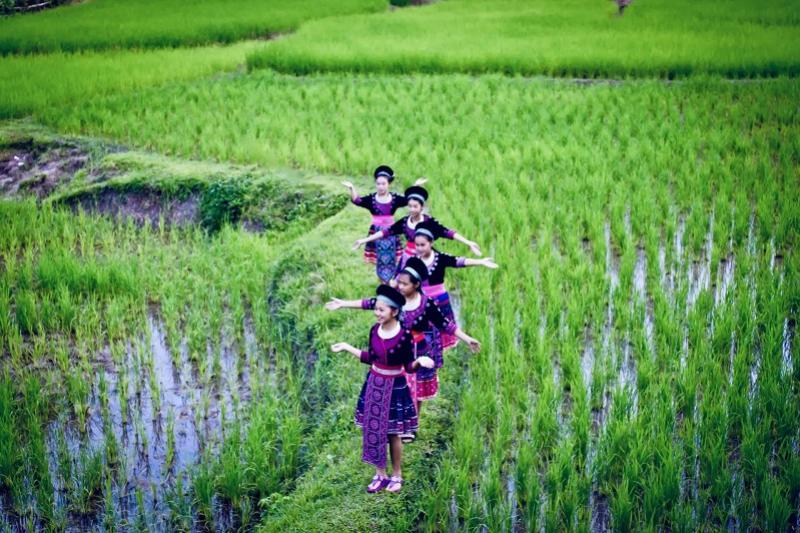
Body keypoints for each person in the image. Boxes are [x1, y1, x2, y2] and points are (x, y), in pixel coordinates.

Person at [326, 257, 481, 422]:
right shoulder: (394, 301)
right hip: (396, 346)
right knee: (399, 386)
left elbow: (445, 324)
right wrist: (343, 304)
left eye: (404, 284)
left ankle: (414, 421)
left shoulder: (427, 304)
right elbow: (369, 303)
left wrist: (467, 339)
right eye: (399, 282)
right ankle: (396, 420)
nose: (400, 286)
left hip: (418, 349)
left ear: (416, 285)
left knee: (418, 387)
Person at [331, 285, 434, 493]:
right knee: (374, 430)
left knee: (393, 433)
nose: (377, 313)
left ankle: (396, 475)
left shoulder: (404, 335)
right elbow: (371, 358)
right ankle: (380, 474)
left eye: (381, 310)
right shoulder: (374, 331)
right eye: (376, 309)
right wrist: (346, 347)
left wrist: (420, 361)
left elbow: (408, 367)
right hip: (375, 385)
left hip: (395, 387)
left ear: (394, 312)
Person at [411, 220, 498, 350]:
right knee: (423, 334)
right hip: (422, 302)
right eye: (417, 245)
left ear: (431, 243)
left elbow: (459, 261)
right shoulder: (413, 261)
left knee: (443, 328)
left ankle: (437, 357)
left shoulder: (440, 258)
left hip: (440, 300)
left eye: (423, 245)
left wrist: (480, 262)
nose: (419, 248)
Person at [353, 185, 481, 272]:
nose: (412, 210)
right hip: (408, 257)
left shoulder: (429, 222)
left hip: (426, 257)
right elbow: (386, 232)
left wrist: (468, 242)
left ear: (421, 207)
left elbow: (448, 233)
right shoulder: (404, 222)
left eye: (415, 207)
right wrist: (364, 240)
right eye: (410, 206)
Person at [342, 166, 426, 283]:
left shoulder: (395, 199)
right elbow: (357, 201)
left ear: (388, 184)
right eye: (378, 184)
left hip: (391, 232)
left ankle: (394, 283)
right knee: (380, 261)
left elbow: (409, 199)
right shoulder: (371, 199)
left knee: (392, 260)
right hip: (376, 232)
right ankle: (383, 284)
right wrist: (351, 188)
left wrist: (416, 186)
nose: (381, 187)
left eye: (383, 184)